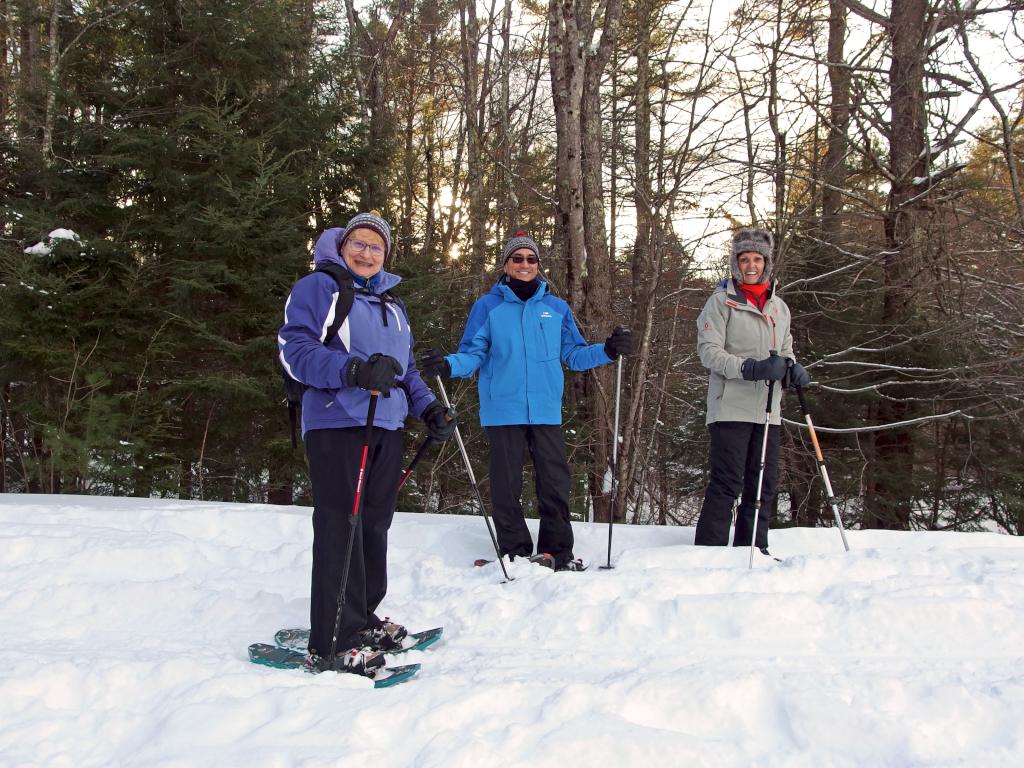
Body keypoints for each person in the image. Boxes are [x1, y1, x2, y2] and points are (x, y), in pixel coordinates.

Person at [277, 211, 456, 675]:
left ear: (386, 255)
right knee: (341, 526)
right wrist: (352, 371)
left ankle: (362, 619)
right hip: (338, 423)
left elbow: (407, 371)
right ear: (341, 246)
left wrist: (428, 409)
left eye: (376, 247)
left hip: (387, 424)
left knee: (373, 526)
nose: (367, 252)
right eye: (359, 243)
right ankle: (333, 640)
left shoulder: (393, 306)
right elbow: (294, 350)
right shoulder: (321, 288)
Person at [419, 232, 632, 571]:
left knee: (555, 483)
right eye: (517, 258)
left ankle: (557, 553)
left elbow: (574, 354)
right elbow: (472, 354)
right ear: (505, 264)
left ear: (538, 266)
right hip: (502, 409)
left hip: (545, 409)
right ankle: (515, 552)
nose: (524, 264)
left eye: (531, 259)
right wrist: (447, 364)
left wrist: (607, 350)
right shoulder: (487, 306)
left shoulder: (555, 308)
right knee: (506, 486)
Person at [693, 227, 810, 554]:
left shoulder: (779, 308)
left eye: (757, 259)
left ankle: (752, 550)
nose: (751, 265)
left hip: (768, 410)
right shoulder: (720, 302)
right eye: (744, 259)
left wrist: (792, 369)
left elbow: (785, 349)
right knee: (728, 483)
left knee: (763, 485)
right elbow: (709, 352)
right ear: (735, 263)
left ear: (766, 263)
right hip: (730, 406)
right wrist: (750, 368)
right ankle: (708, 553)